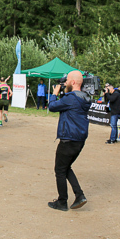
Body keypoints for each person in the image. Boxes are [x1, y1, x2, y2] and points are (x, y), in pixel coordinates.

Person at [47, 70, 91, 211]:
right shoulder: (85, 97)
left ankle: (62, 202)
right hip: (79, 139)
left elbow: (52, 107)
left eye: (66, 81)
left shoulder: (71, 98)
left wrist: (54, 93)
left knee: (59, 170)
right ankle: (79, 195)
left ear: (73, 82)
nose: (64, 83)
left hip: (68, 139)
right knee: (66, 167)